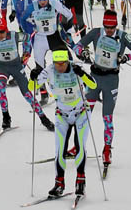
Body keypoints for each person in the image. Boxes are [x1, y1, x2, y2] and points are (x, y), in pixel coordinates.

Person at [76, 8, 131, 168]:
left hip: (111, 81)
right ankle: (78, 147)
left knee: (107, 118)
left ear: (116, 26)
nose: (109, 30)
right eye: (107, 27)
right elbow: (77, 46)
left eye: (112, 28)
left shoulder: (123, 36)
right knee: (84, 115)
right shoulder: (96, 33)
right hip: (94, 79)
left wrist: (127, 57)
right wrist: (83, 54)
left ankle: (106, 149)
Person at [39, 48, 96, 201]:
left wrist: (82, 74)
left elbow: (94, 85)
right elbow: (32, 87)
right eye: (56, 63)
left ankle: (80, 181)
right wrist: (32, 79)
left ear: (67, 61)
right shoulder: (50, 70)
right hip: (62, 115)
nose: (59, 66)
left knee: (79, 147)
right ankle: (59, 183)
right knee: (60, 150)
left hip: (81, 113)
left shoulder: (76, 68)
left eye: (62, 63)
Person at [0, 15, 54, 135]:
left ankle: (44, 119)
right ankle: (6, 118)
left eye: (2, 32)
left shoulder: (14, 35)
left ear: (6, 30)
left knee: (27, 95)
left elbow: (27, 37)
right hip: (1, 67)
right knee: (1, 90)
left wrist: (26, 55)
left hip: (16, 66)